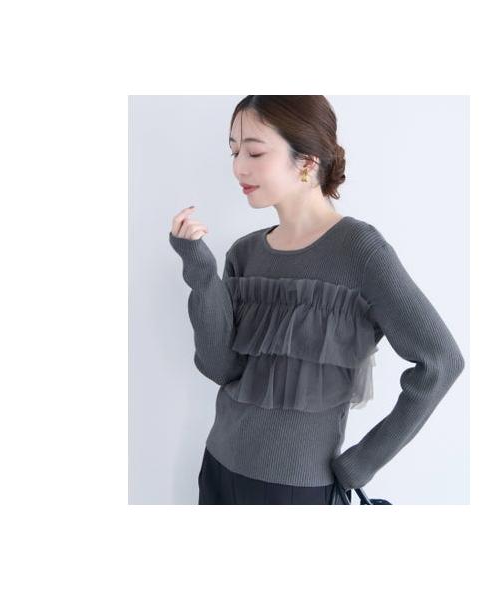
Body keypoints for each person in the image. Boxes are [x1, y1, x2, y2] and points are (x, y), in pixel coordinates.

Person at [169, 96, 465, 504]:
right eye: (234, 152)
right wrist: (200, 271)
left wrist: (362, 462)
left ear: (307, 160)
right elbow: (221, 367)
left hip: (296, 489)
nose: (239, 167)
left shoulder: (360, 250)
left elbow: (441, 361)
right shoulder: (244, 253)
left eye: (255, 152)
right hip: (217, 468)